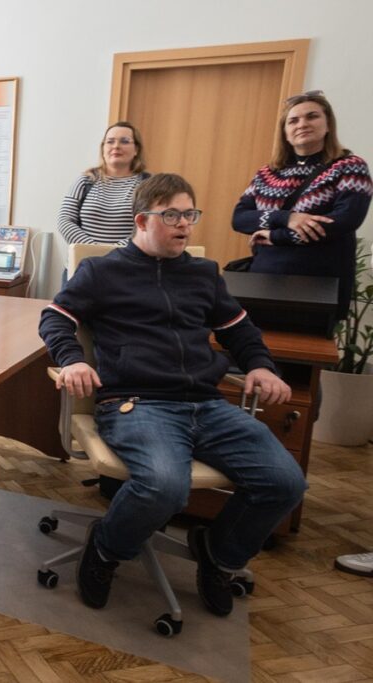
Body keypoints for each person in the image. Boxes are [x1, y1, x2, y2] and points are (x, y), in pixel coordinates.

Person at [39, 173, 308, 617]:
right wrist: (72, 360)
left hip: (205, 403)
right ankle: (104, 550)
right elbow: (55, 318)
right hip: (136, 404)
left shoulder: (204, 274)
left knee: (285, 482)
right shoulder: (102, 271)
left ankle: (219, 556)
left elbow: (239, 330)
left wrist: (261, 365)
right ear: (142, 220)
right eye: (172, 215)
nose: (185, 224)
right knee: (166, 487)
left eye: (190, 214)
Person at [232, 91, 372, 319]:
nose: (302, 124)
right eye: (293, 120)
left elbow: (344, 221)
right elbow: (239, 218)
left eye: (312, 116)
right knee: (250, 349)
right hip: (261, 282)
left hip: (319, 288)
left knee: (304, 353)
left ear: (328, 125)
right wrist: (287, 218)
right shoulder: (267, 173)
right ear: (285, 132)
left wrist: (276, 237)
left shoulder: (350, 167)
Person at [56, 121, 149, 282]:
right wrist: (93, 251)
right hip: (81, 268)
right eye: (110, 141)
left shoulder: (147, 184)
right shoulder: (86, 180)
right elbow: (65, 220)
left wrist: (111, 255)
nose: (116, 146)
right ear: (103, 148)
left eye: (124, 141)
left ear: (136, 150)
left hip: (125, 270)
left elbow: (146, 226)